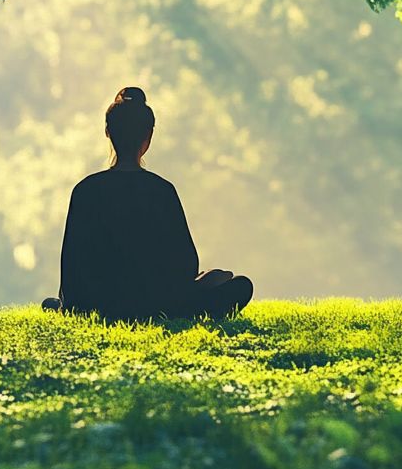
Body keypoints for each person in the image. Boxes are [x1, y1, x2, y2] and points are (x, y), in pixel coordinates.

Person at [41, 87, 253, 322]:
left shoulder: (86, 190)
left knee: (50, 303)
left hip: (101, 304)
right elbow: (187, 265)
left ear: (108, 132)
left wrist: (69, 305)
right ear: (148, 137)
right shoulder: (162, 190)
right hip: (159, 304)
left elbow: (72, 267)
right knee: (239, 285)